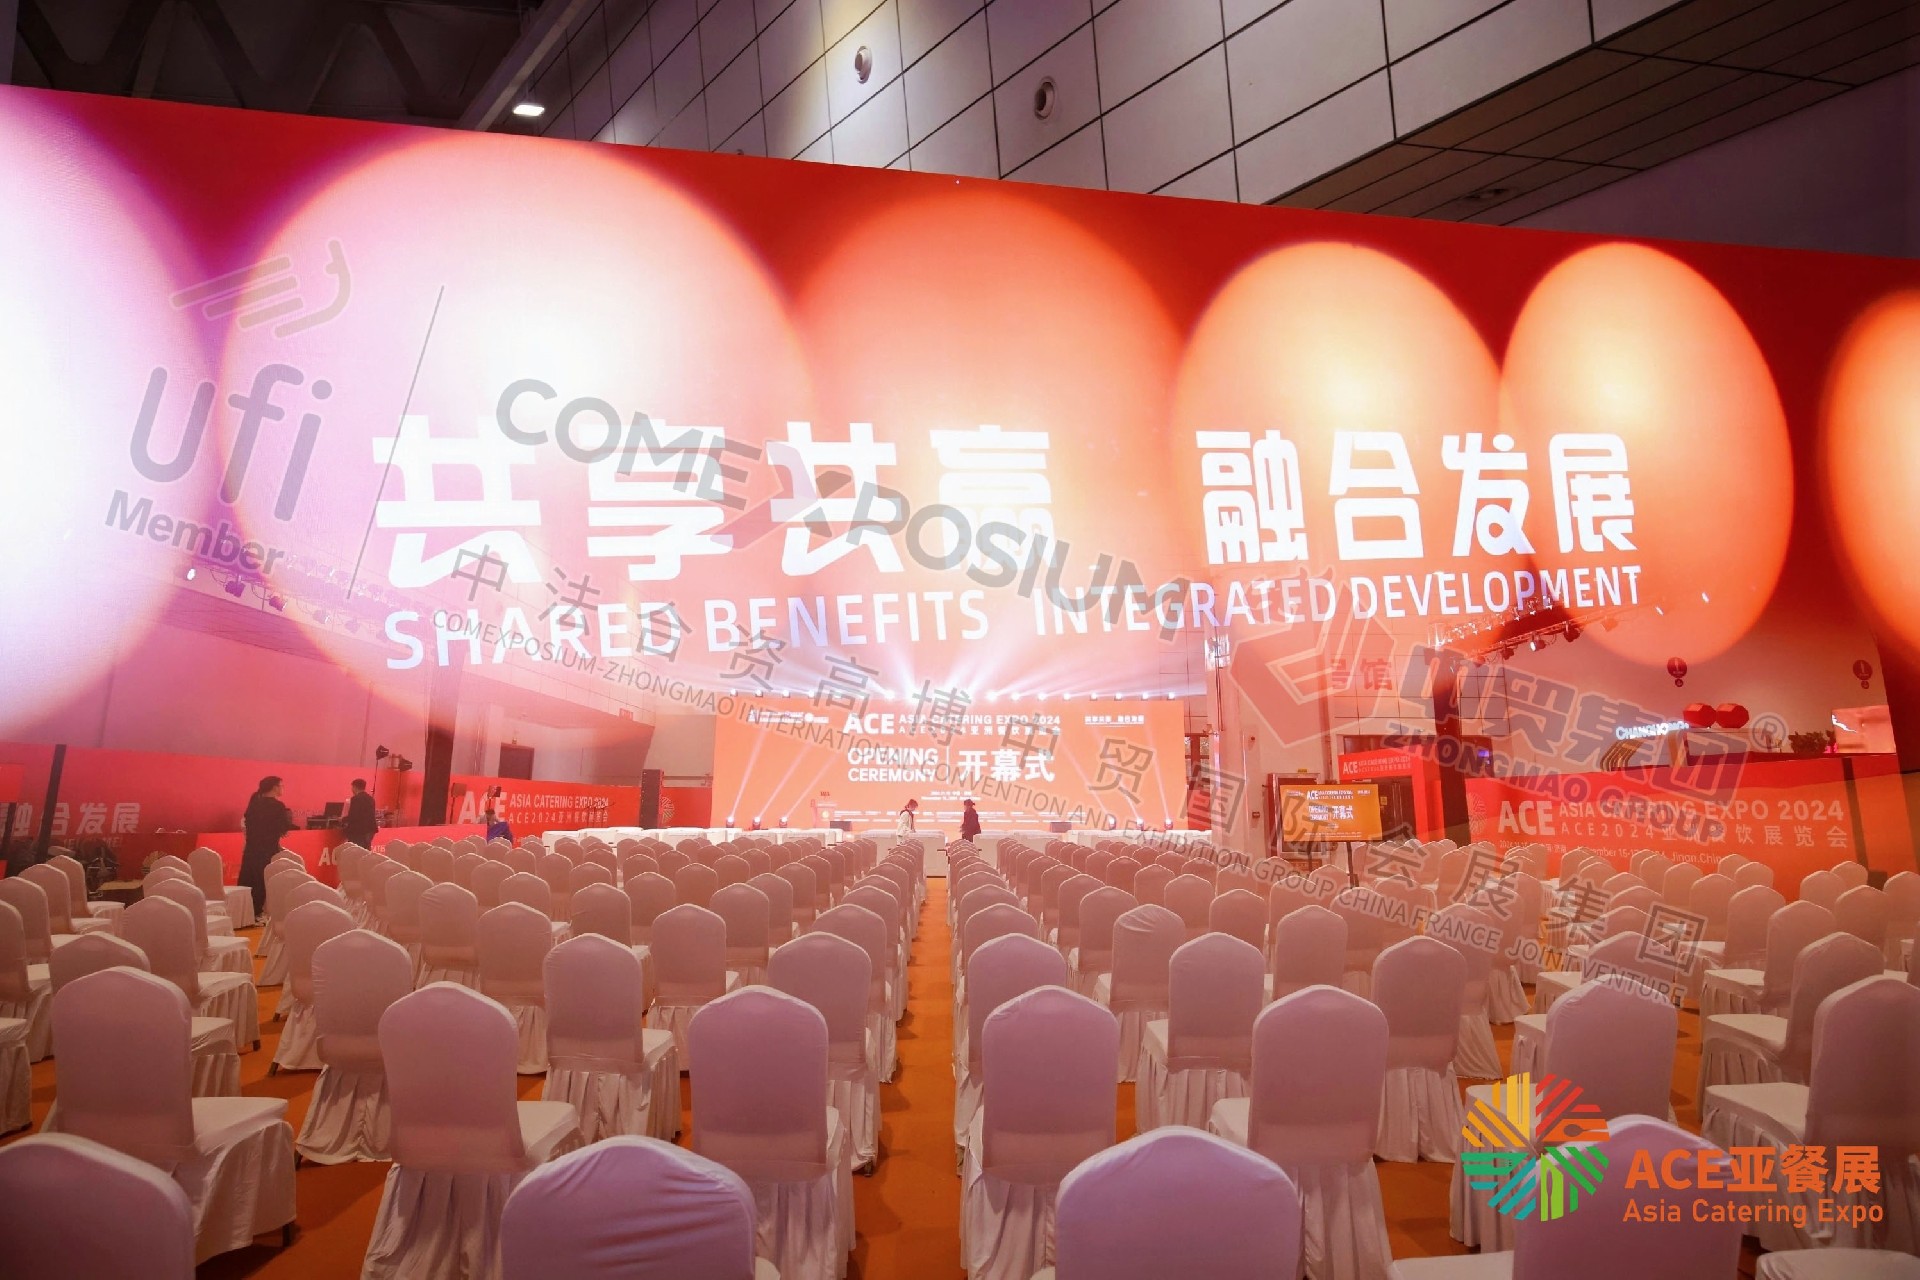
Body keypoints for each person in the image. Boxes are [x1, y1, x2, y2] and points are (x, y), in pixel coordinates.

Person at [240, 775, 295, 914]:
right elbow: (283, 828)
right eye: (281, 786)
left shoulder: (254, 803)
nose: (283, 788)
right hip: (268, 849)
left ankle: (247, 912)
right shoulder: (277, 806)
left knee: (249, 879)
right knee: (264, 880)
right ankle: (259, 911)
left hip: (251, 849)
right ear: (275, 787)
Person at [342, 778, 378, 848]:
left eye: (352, 787)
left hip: (359, 831)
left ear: (355, 787)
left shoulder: (355, 799)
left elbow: (354, 816)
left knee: (357, 850)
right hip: (370, 829)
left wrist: (343, 819)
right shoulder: (371, 799)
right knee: (366, 849)